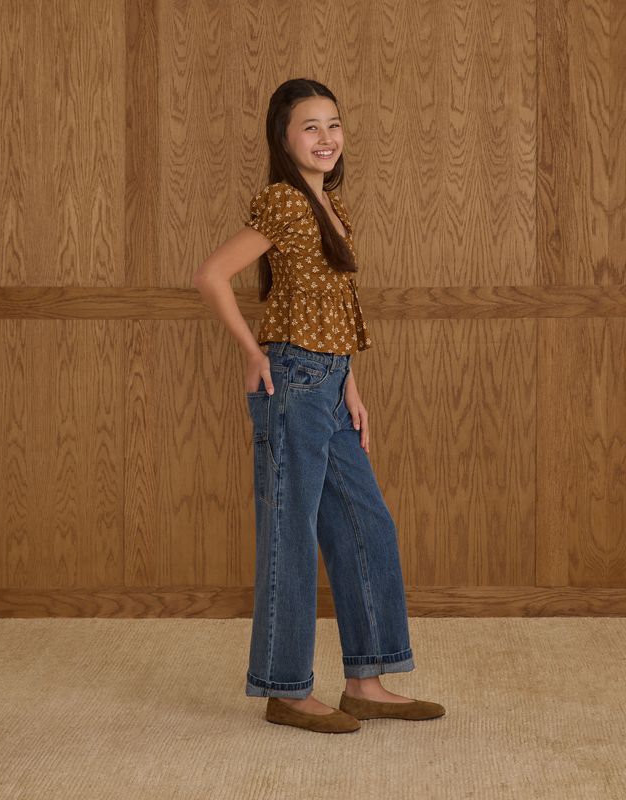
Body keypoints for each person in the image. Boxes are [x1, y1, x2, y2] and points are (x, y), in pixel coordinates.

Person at [193, 78, 445, 733]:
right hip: (291, 382)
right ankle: (285, 689)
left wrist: (350, 388)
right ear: (284, 138)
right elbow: (212, 275)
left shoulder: (332, 207)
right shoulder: (281, 201)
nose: (326, 137)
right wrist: (254, 353)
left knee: (367, 525)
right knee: (292, 535)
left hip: (329, 386)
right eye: (311, 126)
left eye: (334, 124)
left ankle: (367, 680)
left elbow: (333, 308)